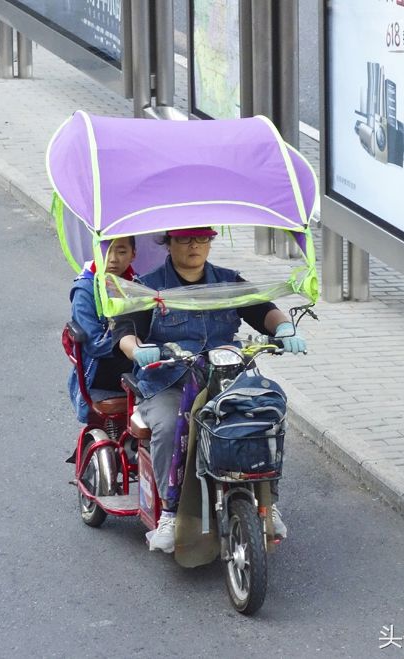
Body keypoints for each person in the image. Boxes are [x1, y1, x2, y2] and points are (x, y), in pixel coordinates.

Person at [115, 227, 305, 552]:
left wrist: (284, 328)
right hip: (170, 381)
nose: (195, 246)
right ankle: (171, 513)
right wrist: (137, 350)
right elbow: (126, 330)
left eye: (202, 239)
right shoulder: (148, 287)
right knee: (168, 423)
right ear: (169, 243)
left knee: (266, 414)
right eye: (186, 239)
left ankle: (267, 500)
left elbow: (264, 310)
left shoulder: (228, 282)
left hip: (226, 378)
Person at [68, 236, 137, 423]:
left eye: (122, 252)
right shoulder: (85, 290)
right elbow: (94, 345)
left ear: (133, 255)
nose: (113, 258)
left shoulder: (138, 286)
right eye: (106, 251)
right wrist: (131, 345)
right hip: (102, 366)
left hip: (134, 358)